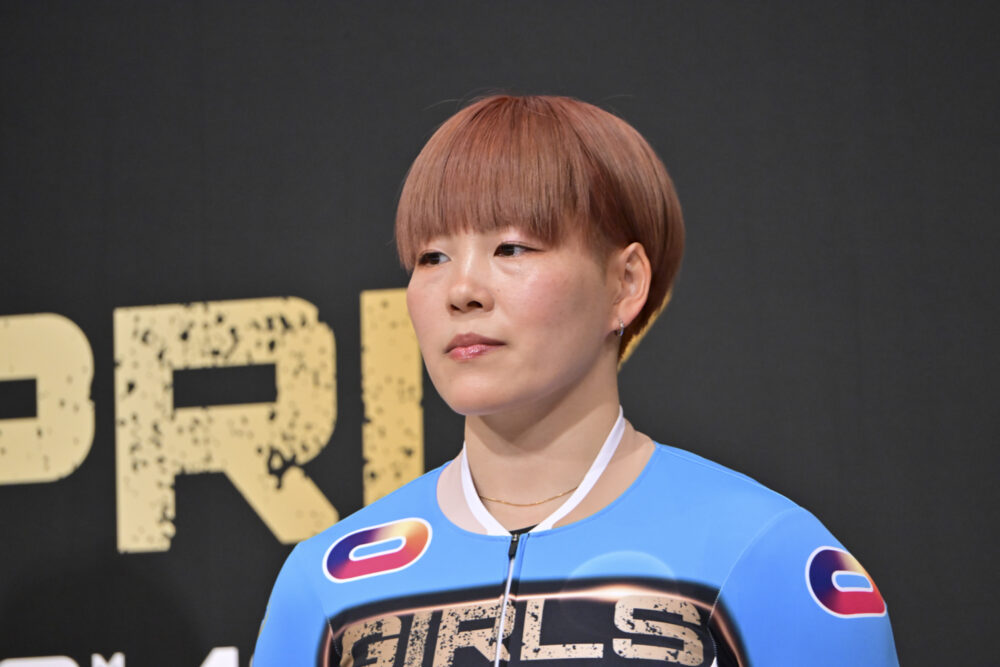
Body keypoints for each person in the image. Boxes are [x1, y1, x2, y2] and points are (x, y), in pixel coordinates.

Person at [253, 95, 899, 666]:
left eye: (512, 247)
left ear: (626, 283)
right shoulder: (326, 584)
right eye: (432, 256)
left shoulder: (763, 554)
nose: (461, 289)